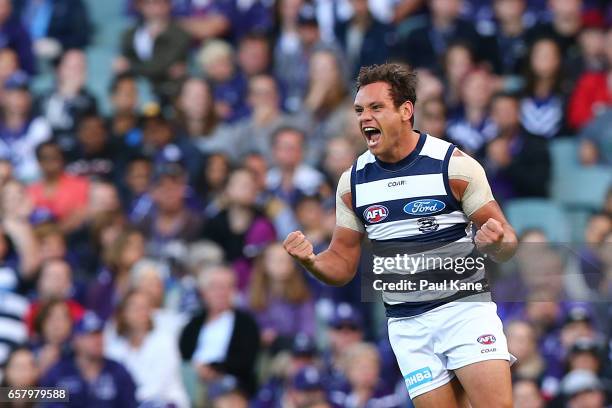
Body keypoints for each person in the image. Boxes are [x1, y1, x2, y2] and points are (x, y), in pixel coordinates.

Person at [283, 63, 518, 407]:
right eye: (360, 110)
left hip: (463, 312)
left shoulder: (453, 165)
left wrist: (497, 242)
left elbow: (507, 240)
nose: (365, 118)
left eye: (376, 108)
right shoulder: (353, 183)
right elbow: (342, 264)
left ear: (406, 111)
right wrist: (311, 261)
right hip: (408, 327)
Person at [104, 289, 189, 407]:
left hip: (165, 402)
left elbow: (156, 388)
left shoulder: (164, 341)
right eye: (135, 307)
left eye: (145, 307)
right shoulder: (114, 347)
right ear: (123, 313)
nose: (141, 312)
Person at [40, 311, 138, 407]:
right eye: (90, 335)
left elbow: (130, 404)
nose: (97, 340)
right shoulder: (59, 373)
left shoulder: (117, 372)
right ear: (76, 340)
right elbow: (49, 404)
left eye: (99, 334)